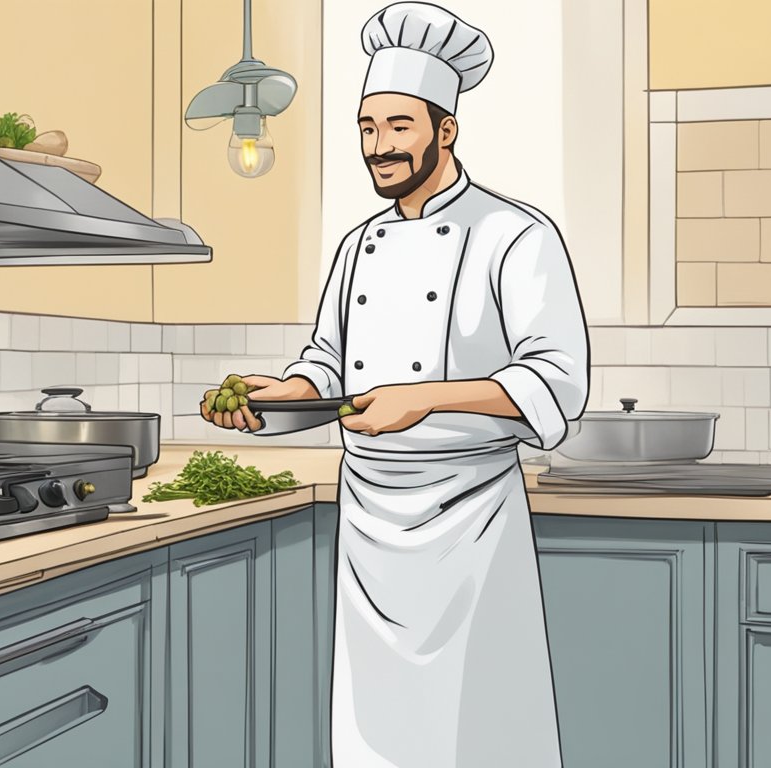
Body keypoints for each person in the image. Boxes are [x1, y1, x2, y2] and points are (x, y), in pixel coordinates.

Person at [201, 3, 590, 765]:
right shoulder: (357, 244)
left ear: (446, 130)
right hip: (370, 516)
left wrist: (427, 397)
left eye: (399, 127)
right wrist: (281, 394)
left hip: (469, 517)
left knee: (477, 727)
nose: (379, 148)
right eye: (367, 129)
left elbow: (556, 383)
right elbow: (328, 365)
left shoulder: (517, 234)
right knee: (377, 732)